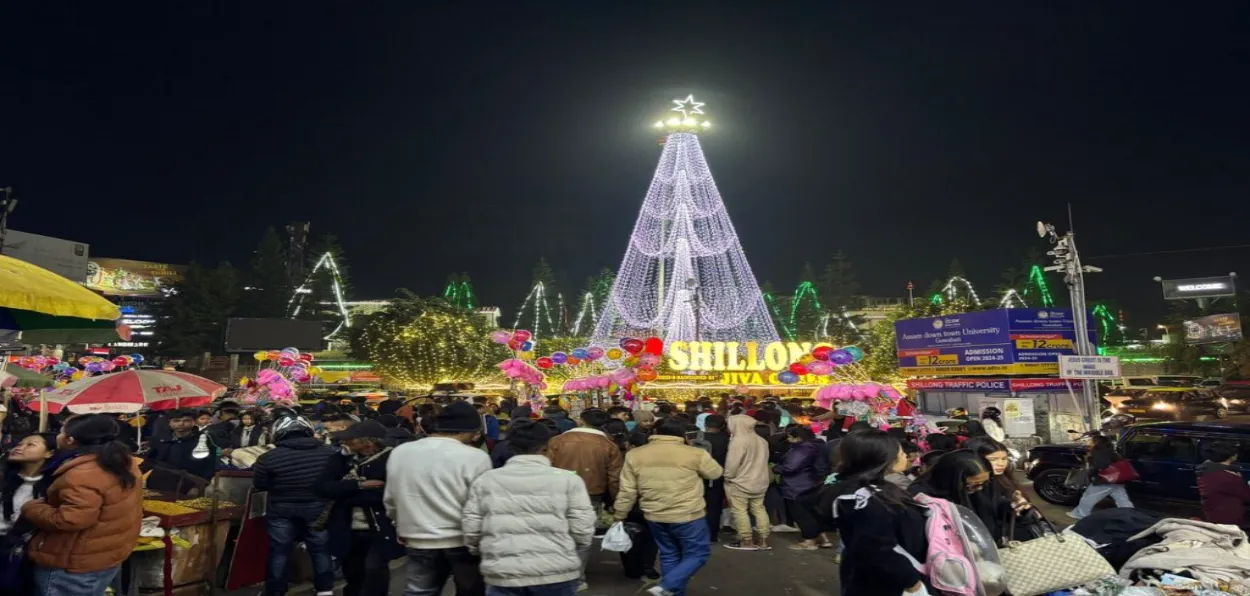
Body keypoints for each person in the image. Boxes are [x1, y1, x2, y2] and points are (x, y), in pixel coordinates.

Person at [463, 421, 595, 596]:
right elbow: (582, 527)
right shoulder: (568, 480)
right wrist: (574, 546)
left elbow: (472, 526)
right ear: (546, 448)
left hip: (503, 572)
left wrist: (480, 550)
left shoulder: (486, 480)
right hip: (556, 571)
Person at [22, 415, 143, 595]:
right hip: (103, 555)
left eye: (62, 431)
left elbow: (70, 519)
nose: (58, 435)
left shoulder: (82, 474)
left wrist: (32, 508)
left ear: (70, 440)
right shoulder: (123, 461)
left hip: (73, 564)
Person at [386, 401, 490, 596]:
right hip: (461, 540)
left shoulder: (401, 452)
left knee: (420, 592)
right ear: (470, 430)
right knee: (471, 591)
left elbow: (391, 498)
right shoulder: (475, 457)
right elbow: (480, 504)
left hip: (418, 538)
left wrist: (399, 523)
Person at [614, 417, 723, 596]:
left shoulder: (635, 454)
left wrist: (620, 514)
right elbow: (715, 472)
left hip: (654, 514)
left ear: (655, 432)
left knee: (669, 554)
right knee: (698, 554)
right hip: (688, 514)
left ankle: (672, 592)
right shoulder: (695, 453)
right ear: (683, 434)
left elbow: (627, 490)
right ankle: (667, 586)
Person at [828, 429, 930, 596]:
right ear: (881, 457)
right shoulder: (861, 498)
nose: (905, 456)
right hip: (882, 584)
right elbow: (875, 548)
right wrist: (912, 583)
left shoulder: (881, 487)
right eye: (900, 452)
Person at [313, 420, 402, 596]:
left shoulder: (391, 460)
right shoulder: (339, 459)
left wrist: (348, 495)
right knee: (353, 572)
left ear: (368, 441)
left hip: (379, 525)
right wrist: (358, 486)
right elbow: (322, 487)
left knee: (374, 568)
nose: (345, 442)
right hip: (347, 526)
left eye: (351, 439)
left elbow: (389, 494)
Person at [252, 415, 337, 596]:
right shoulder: (330, 452)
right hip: (318, 507)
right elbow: (336, 480)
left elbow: (260, 485)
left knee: (279, 550)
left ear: (279, 434)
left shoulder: (268, 457)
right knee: (320, 549)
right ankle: (325, 589)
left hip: (281, 508)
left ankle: (276, 590)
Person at [547, 408, 623, 590]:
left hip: (557, 492)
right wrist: (614, 501)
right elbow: (614, 477)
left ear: (581, 420)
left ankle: (555, 574)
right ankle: (576, 578)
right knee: (583, 536)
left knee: (557, 533)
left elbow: (545, 466)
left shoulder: (557, 441)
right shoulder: (609, 446)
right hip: (591, 493)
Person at [0, 432, 55, 591]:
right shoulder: (4, 476)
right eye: (19, 444)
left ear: (49, 452)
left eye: (30, 444)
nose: (19, 448)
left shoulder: (54, 484)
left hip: (26, 550)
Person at [720, 414, 772, 551]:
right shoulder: (762, 440)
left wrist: (727, 477)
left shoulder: (738, 441)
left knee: (740, 511)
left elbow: (732, 463)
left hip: (741, 481)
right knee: (759, 509)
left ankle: (746, 540)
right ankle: (763, 539)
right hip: (760, 480)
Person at [774, 425, 832, 550]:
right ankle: (823, 538)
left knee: (801, 514)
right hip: (813, 483)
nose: (789, 440)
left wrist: (777, 468)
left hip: (797, 485)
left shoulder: (802, 449)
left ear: (798, 437)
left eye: (790, 437)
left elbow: (791, 467)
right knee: (812, 513)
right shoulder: (818, 445)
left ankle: (809, 540)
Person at [1068, 434, 1134, 520]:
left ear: (1096, 442)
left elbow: (1101, 464)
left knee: (1088, 496)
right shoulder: (1109, 450)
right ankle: (1130, 514)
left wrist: (1090, 473)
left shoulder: (1099, 451)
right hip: (1117, 479)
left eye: (1091, 440)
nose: (1089, 441)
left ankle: (1080, 514)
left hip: (1105, 480)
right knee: (1122, 498)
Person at [145, 408, 217, 482]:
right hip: (162, 481)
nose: (181, 424)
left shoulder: (204, 439)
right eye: (176, 420)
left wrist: (202, 483)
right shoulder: (160, 439)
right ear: (169, 422)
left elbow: (211, 464)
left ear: (194, 422)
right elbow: (150, 461)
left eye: (186, 420)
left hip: (193, 482)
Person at [1196, 441, 1250, 529]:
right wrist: (1239, 480)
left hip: (1214, 513)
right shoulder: (1227, 476)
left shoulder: (1207, 470)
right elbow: (1247, 495)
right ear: (1232, 456)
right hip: (1228, 518)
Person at [701, 414, 730, 542]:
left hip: (699, 475)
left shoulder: (697, 437)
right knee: (714, 506)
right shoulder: (727, 439)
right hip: (718, 475)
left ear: (705, 424)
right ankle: (712, 535)